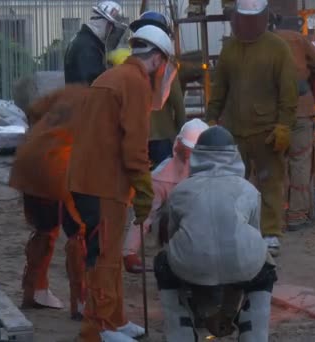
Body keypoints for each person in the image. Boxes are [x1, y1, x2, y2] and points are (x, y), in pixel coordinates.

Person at [68, 25, 178, 342]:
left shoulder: (112, 77)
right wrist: (145, 189)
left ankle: (114, 319)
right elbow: (134, 148)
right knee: (104, 255)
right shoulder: (135, 83)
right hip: (103, 183)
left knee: (111, 253)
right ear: (157, 59)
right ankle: (99, 328)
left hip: (92, 179)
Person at [154, 126, 277, 342]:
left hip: (191, 266)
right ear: (235, 156)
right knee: (264, 267)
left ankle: (180, 333)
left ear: (198, 156)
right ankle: (254, 332)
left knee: (164, 263)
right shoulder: (248, 189)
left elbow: (173, 238)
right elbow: (254, 235)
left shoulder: (181, 191)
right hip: (244, 264)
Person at [205, 0, 298, 256]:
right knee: (233, 184)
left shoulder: (277, 48)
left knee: (270, 183)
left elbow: (288, 92)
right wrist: (211, 118)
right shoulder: (230, 49)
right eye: (243, 18)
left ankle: (270, 233)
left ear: (262, 16)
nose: (246, 24)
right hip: (235, 132)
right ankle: (235, 227)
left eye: (251, 18)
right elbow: (220, 88)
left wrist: (283, 126)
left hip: (267, 132)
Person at [9, 85, 91, 320]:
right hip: (59, 166)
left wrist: (44, 135)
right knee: (79, 231)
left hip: (28, 160)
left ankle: (34, 290)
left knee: (44, 228)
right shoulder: (101, 99)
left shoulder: (67, 92)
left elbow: (33, 109)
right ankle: (81, 302)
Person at [122, 119, 208, 273]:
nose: (191, 156)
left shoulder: (220, 176)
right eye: (188, 150)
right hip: (176, 235)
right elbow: (145, 216)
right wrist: (130, 252)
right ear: (179, 145)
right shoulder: (161, 178)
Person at [270, 15, 315, 231]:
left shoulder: (266, 40)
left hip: (272, 112)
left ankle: (272, 216)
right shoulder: (300, 39)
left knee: (272, 163)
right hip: (301, 109)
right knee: (300, 162)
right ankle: (296, 215)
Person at [130, 11, 185, 167]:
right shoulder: (167, 66)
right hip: (162, 137)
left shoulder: (128, 64)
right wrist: (182, 137)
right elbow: (178, 105)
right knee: (164, 182)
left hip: (136, 137)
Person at [64, 0, 127, 85]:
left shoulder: (85, 39)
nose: (112, 32)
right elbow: (96, 83)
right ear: (106, 24)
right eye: (112, 28)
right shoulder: (87, 46)